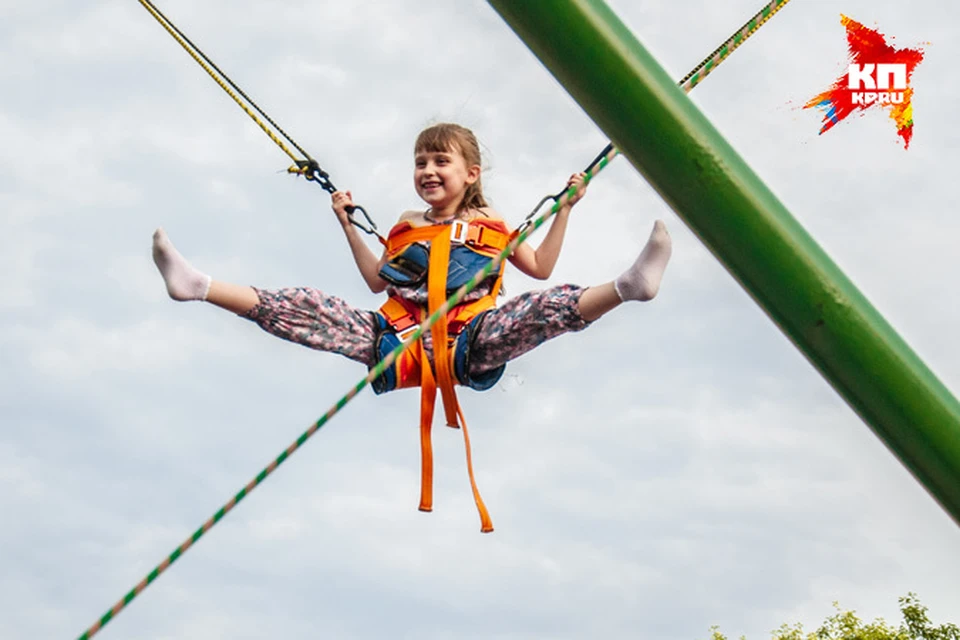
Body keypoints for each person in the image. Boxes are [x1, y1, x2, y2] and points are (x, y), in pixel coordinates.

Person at [151, 122, 672, 530]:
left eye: (440, 161)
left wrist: (564, 210)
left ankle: (628, 287)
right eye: (420, 162)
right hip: (397, 337)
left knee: (537, 311)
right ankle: (199, 286)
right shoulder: (406, 223)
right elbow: (378, 280)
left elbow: (539, 267)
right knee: (313, 309)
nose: (427, 170)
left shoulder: (492, 221)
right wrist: (347, 223)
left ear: (470, 173)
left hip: (470, 337)